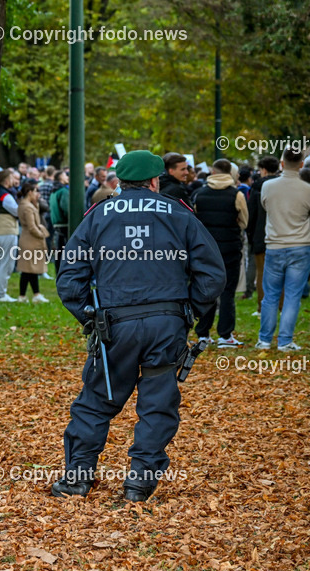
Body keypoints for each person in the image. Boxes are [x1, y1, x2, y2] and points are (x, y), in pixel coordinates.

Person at [53, 150, 225, 502]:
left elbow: (70, 278)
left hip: (115, 324)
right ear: (154, 181)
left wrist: (90, 317)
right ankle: (139, 483)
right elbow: (213, 274)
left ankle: (77, 479)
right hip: (167, 322)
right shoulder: (180, 214)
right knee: (158, 403)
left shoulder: (97, 216)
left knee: (97, 401)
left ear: (119, 180)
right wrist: (188, 312)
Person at [256, 147, 310, 351]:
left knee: (270, 295)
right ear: (302, 164)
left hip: (275, 245)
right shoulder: (307, 189)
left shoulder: (268, 186)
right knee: (293, 296)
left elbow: (265, 206)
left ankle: (265, 339)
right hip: (300, 245)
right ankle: (285, 341)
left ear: (282, 163)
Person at [191, 158, 248, 347]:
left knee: (206, 290)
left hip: (206, 249)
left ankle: (203, 333)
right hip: (230, 248)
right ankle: (225, 334)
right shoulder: (236, 195)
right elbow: (244, 221)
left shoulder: (200, 194)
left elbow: (195, 221)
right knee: (227, 292)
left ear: (213, 172)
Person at [247, 156, 280, 317]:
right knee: (280, 273)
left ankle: (262, 306)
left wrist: (250, 234)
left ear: (264, 170)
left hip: (261, 235)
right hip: (281, 235)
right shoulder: (283, 186)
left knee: (262, 273)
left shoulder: (257, 187)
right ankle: (280, 306)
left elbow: (251, 215)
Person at [15, 181, 49, 302]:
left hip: (30, 239)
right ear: (30, 192)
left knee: (31, 270)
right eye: (35, 191)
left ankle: (35, 294)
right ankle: (24, 295)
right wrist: (41, 235)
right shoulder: (27, 207)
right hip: (31, 240)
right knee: (28, 269)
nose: (37, 194)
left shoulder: (27, 204)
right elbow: (32, 226)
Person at [0, 169, 19, 302]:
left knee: (2, 263)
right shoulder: (4, 194)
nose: (15, 181)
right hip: (5, 230)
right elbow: (16, 210)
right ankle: (0, 294)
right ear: (7, 180)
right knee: (6, 263)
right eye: (13, 178)